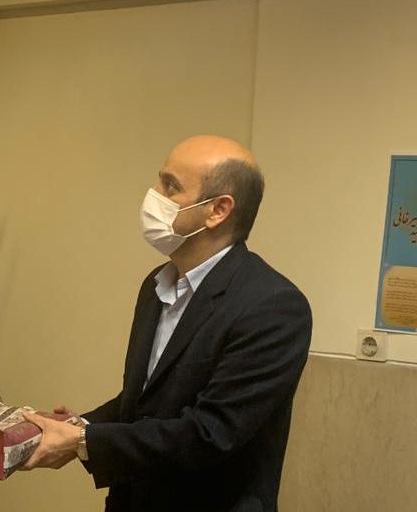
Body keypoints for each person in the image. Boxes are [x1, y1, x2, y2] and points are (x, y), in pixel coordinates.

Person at [22, 135, 312, 511]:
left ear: (218, 210)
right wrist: (79, 427)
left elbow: (210, 433)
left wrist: (84, 443)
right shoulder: (157, 285)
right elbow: (145, 404)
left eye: (170, 186)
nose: (154, 196)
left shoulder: (272, 306)